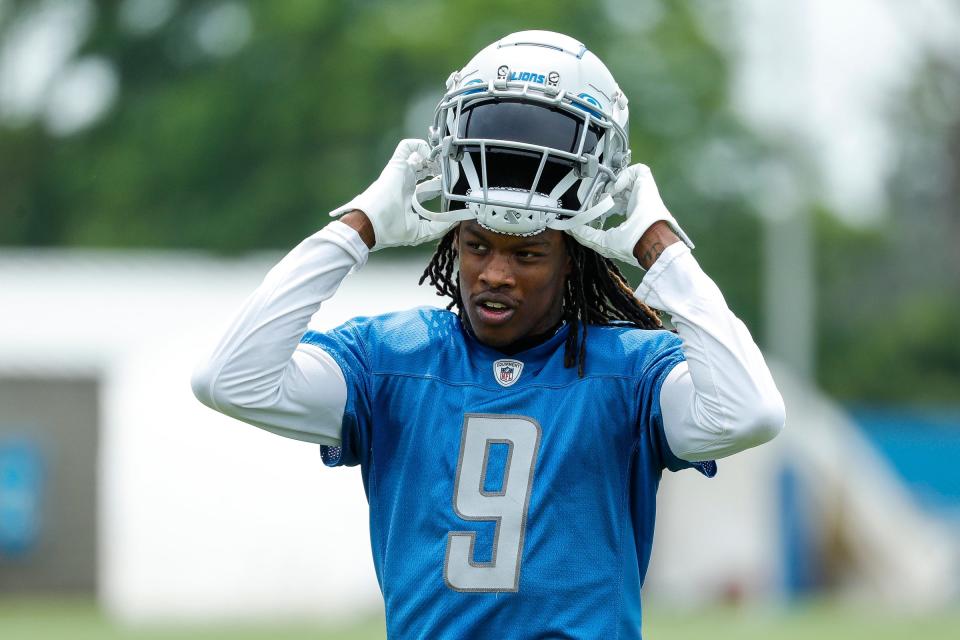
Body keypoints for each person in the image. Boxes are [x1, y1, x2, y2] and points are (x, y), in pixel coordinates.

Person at [192, 30, 785, 639]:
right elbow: (230, 379)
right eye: (477, 246)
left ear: (572, 259)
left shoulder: (631, 373)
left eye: (526, 255)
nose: (495, 274)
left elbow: (751, 414)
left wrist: (663, 252)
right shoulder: (388, 361)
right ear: (452, 242)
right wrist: (355, 228)